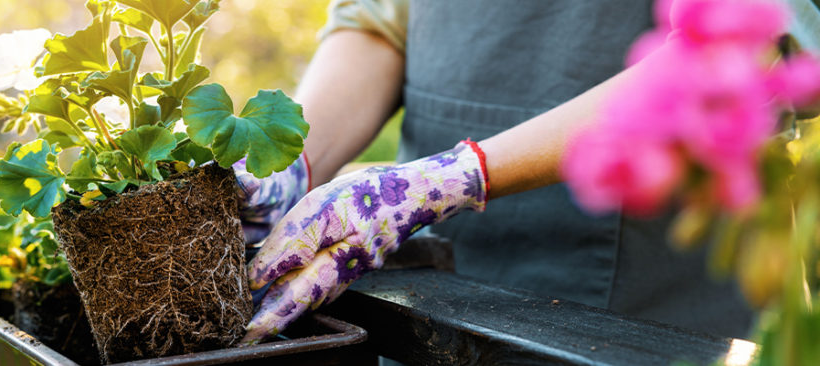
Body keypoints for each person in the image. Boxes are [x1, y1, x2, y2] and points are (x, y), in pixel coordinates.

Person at [234, 0, 820, 344]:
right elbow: (379, 21)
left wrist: (451, 179)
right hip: (424, 287)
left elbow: (742, 46)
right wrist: (293, 162)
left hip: (641, 309)